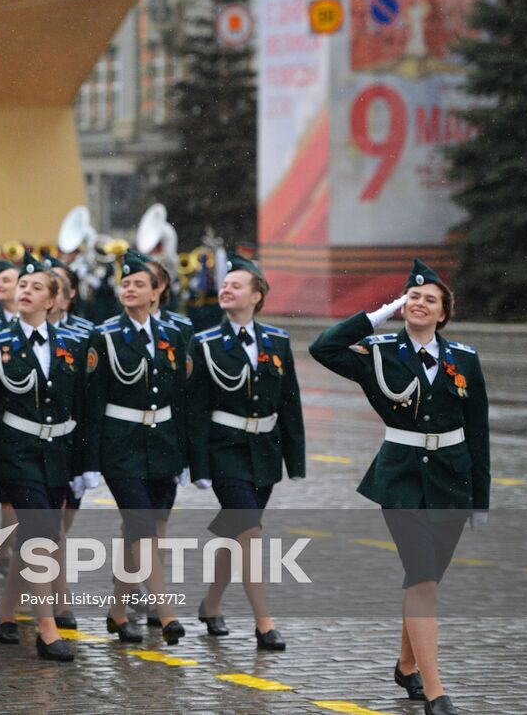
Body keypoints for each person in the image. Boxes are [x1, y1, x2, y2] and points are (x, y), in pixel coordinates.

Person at [309, 259, 488, 715]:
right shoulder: (379, 349)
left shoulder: (464, 359)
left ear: (444, 313)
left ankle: (406, 664)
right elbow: (323, 348)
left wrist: (479, 500)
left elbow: (478, 432)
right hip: (401, 477)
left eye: (430, 298)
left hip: (452, 477)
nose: (419, 303)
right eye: (412, 296)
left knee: (424, 580)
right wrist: (375, 315)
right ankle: (435, 690)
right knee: (423, 575)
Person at [187, 254, 304, 651]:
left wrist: (295, 458)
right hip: (226, 450)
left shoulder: (277, 341)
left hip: (264, 452)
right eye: (224, 284)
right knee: (249, 533)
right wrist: (198, 464)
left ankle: (210, 604)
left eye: (236, 285)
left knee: (236, 532)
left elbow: (289, 402)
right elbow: (196, 409)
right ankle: (264, 622)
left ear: (257, 296)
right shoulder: (204, 343)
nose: (226, 290)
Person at [0, 255, 90, 662]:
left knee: (37, 537)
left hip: (57, 456)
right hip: (16, 454)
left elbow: (81, 408)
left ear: (53, 300)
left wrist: (83, 466)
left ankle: (7, 611)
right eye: (21, 285)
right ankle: (47, 630)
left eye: (36, 288)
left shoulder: (72, 346)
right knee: (44, 535)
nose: (25, 291)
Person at [84, 249, 191, 645]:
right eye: (125, 283)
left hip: (162, 445)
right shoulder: (106, 335)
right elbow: (93, 402)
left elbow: (180, 398)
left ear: (156, 292)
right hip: (121, 447)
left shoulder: (174, 335)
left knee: (142, 530)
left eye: (138, 284)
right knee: (143, 526)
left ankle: (117, 608)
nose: (129, 288)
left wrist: (185, 453)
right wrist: (90, 460)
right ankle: (166, 613)